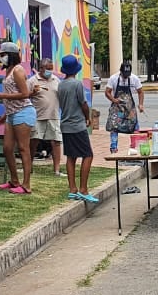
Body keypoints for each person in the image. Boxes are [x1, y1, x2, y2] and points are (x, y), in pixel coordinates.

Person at [0, 42, 39, 194]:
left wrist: (3, 96)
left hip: (23, 112)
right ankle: (14, 180)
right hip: (12, 114)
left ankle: (26, 185)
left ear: (10, 55)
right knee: (7, 148)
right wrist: (5, 114)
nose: (1, 58)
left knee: (24, 148)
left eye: (3, 55)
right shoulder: (9, 70)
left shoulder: (18, 70)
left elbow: (25, 94)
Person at [57, 56, 98, 203]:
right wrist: (88, 118)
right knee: (88, 155)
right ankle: (83, 189)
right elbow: (83, 104)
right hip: (77, 125)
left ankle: (72, 188)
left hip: (65, 124)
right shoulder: (77, 84)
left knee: (71, 156)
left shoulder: (61, 85)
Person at [32, 58, 64, 177]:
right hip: (37, 116)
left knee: (56, 142)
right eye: (47, 69)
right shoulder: (32, 81)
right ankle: (29, 167)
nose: (50, 71)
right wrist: (33, 93)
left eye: (51, 68)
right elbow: (25, 96)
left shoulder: (56, 80)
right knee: (33, 142)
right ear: (41, 68)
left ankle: (56, 170)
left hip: (54, 116)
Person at [105, 62, 144, 154]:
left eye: (128, 74)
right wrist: (114, 100)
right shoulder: (113, 79)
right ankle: (113, 148)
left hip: (129, 107)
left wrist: (141, 104)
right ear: (120, 72)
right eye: (124, 74)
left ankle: (135, 147)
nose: (126, 76)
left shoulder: (134, 79)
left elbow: (140, 92)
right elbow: (107, 92)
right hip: (117, 107)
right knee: (114, 127)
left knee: (134, 126)